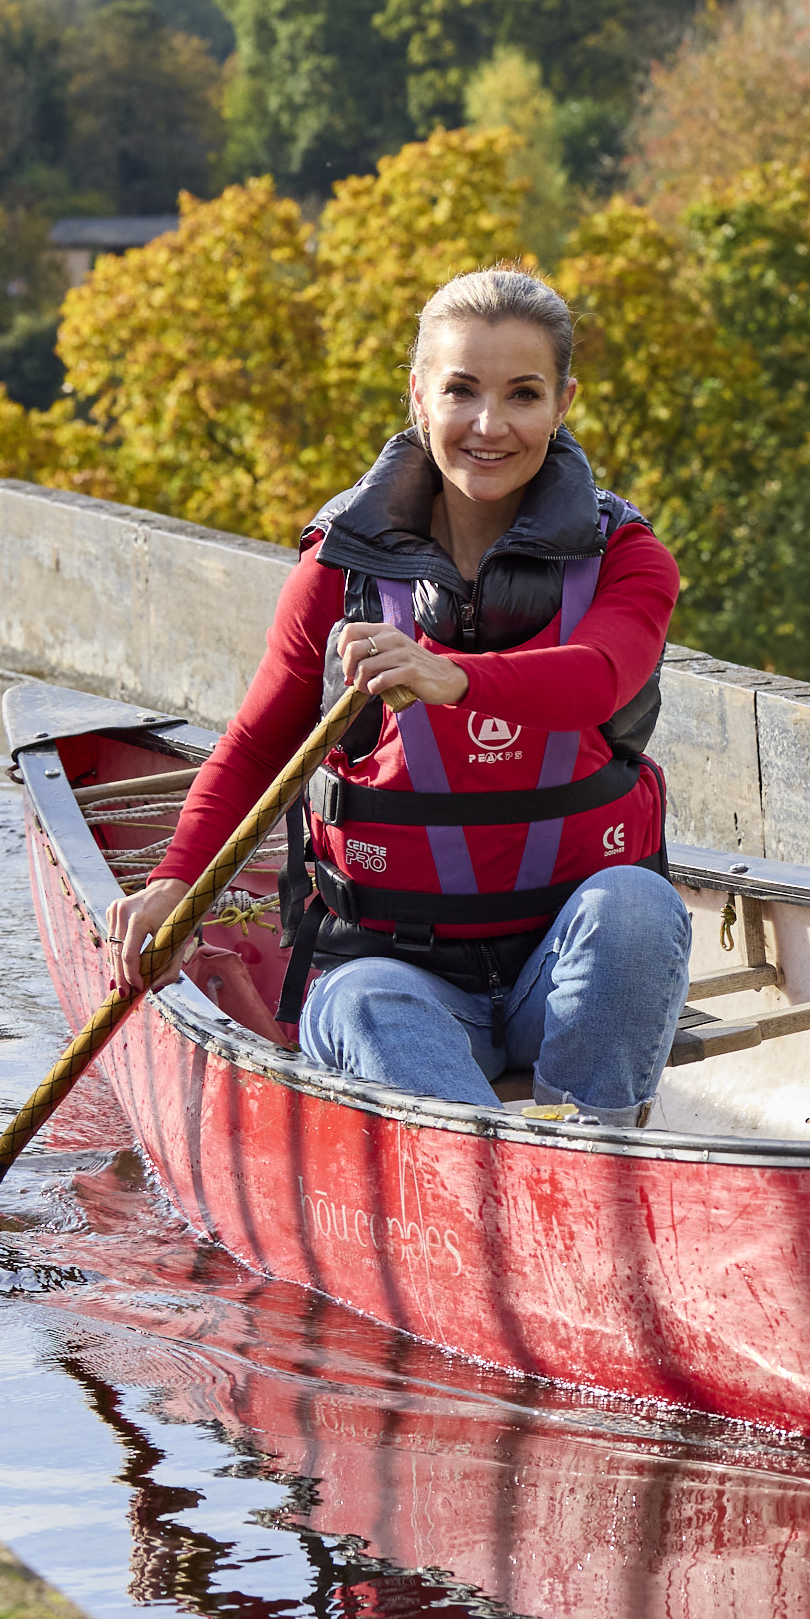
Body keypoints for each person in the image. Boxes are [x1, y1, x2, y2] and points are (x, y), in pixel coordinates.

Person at [105, 268, 690, 1124]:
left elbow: (600, 675)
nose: (490, 426)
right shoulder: (337, 570)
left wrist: (451, 676)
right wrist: (176, 880)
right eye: (462, 391)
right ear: (419, 396)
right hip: (395, 974)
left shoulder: (629, 558)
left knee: (637, 907)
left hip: (563, 975)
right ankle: (482, 1167)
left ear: (563, 403)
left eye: (523, 395)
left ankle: (595, 1149)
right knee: (362, 1001)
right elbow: (259, 747)